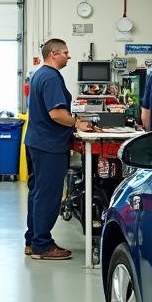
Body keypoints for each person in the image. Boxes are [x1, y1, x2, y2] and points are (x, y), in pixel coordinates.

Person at [25, 39, 94, 260]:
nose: (69, 56)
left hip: (37, 142)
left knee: (37, 193)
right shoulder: (51, 77)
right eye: (66, 52)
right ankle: (42, 246)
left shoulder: (39, 75)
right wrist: (77, 123)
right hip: (49, 145)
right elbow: (56, 114)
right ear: (53, 54)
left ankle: (33, 240)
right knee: (48, 195)